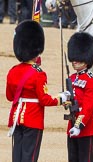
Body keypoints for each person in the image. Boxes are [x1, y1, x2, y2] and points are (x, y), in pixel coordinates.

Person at [6, 20, 70, 162]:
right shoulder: (38, 73)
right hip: (33, 119)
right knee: (30, 157)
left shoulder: (13, 71)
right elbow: (44, 100)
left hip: (16, 118)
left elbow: (10, 97)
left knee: (17, 156)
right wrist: (62, 98)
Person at [66, 32, 93, 162]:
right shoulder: (71, 78)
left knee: (84, 158)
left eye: (78, 58)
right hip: (72, 120)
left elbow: (88, 106)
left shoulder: (91, 81)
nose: (74, 61)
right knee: (72, 157)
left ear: (86, 60)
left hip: (85, 125)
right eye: (74, 59)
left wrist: (78, 126)